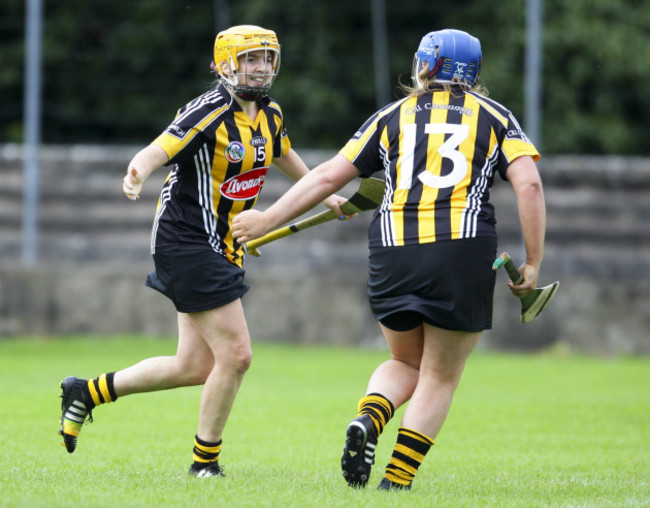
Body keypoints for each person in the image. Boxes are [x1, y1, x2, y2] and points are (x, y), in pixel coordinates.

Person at [232, 28, 546, 490]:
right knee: (439, 374)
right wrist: (534, 261)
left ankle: (369, 420)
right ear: (474, 72)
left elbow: (324, 178)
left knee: (405, 362)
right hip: (461, 251)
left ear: (424, 65)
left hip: (392, 252)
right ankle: (395, 482)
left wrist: (267, 219)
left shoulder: (390, 116)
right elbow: (530, 185)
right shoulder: (496, 117)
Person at [58, 25, 347, 478]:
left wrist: (324, 195)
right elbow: (161, 146)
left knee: (193, 365)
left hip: (224, 245)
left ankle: (87, 392)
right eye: (250, 59)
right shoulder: (209, 109)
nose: (261, 68)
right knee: (237, 356)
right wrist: (138, 170)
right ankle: (204, 464)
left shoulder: (270, 114)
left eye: (267, 58)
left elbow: (283, 154)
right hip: (185, 240)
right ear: (226, 64)